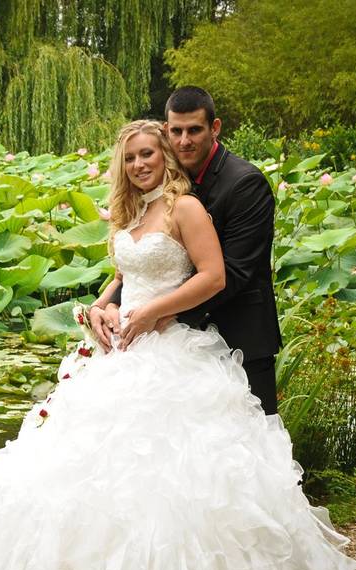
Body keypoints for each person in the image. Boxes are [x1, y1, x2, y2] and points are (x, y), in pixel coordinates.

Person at [0, 120, 356, 570]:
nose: (139, 164)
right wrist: (100, 309)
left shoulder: (185, 207)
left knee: (173, 483)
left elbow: (212, 275)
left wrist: (153, 314)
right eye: (130, 158)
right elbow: (128, 275)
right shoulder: (135, 211)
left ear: (166, 155)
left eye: (148, 153)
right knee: (94, 478)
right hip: (118, 352)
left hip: (171, 352)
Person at [94, 86, 281, 415]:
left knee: (248, 443)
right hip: (158, 340)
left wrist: (160, 314)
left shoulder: (245, 184)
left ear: (215, 128)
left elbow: (232, 273)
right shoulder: (154, 193)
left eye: (194, 130)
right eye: (176, 132)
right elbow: (142, 267)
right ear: (166, 132)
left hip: (238, 335)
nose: (184, 141)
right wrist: (108, 306)